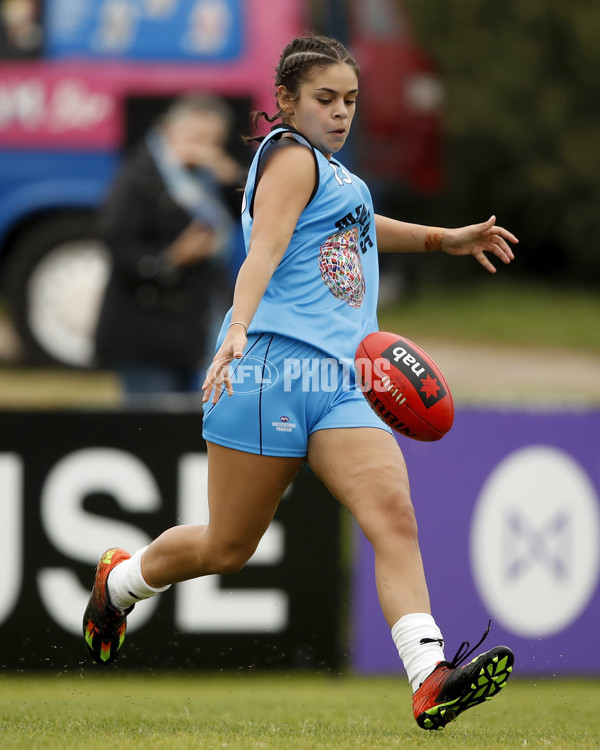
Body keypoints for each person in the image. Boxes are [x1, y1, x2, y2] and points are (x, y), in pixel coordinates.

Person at [83, 35, 518, 730]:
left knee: (394, 519)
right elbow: (264, 251)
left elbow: (358, 228)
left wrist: (445, 239)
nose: (341, 113)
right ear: (285, 101)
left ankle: (429, 674)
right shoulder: (288, 156)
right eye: (325, 99)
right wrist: (235, 330)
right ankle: (122, 581)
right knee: (228, 547)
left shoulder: (334, 174)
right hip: (273, 372)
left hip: (346, 380)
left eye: (350, 100)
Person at [94, 93, 240, 397]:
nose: (205, 149)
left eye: (214, 140)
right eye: (197, 137)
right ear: (168, 131)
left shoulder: (209, 179)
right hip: (145, 336)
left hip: (198, 329)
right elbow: (116, 246)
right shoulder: (139, 177)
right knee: (151, 429)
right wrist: (172, 257)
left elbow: (248, 215)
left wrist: (233, 180)